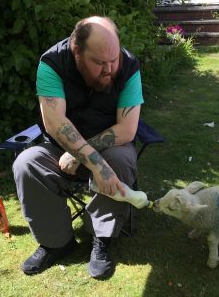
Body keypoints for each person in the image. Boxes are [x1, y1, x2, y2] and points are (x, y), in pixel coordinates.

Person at [12, 16, 144, 279]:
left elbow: (127, 129)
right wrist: (81, 156)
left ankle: (101, 239)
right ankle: (56, 242)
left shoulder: (129, 67)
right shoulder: (51, 64)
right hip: (59, 149)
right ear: (76, 51)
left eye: (113, 59)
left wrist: (85, 157)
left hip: (110, 146)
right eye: (99, 62)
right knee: (26, 163)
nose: (109, 69)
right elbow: (55, 123)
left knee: (119, 160)